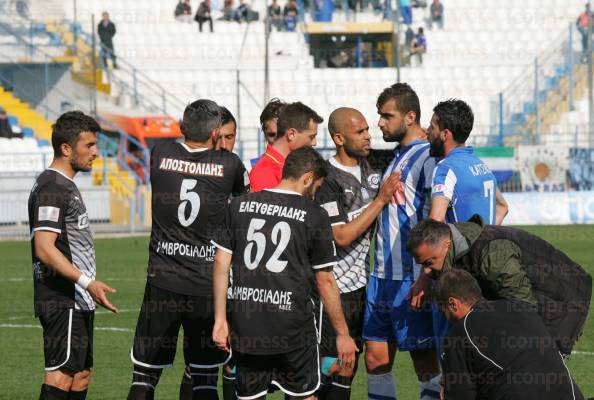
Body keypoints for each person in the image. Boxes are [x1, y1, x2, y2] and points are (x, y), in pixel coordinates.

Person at [212, 146, 358, 400]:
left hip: (248, 329)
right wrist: (343, 335)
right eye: (316, 187)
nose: (315, 195)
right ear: (308, 178)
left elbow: (220, 264)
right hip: (294, 332)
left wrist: (220, 320)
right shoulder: (314, 215)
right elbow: (325, 281)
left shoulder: (239, 206)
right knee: (304, 396)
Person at [126, 100, 250, 400]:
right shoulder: (230, 165)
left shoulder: (160, 153)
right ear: (216, 132)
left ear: (182, 127)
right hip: (205, 284)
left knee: (144, 378)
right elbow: (242, 203)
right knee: (205, 379)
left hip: (162, 281)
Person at [407, 215, 593, 356]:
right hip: (531, 299)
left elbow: (525, 310)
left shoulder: (492, 257)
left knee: (535, 376)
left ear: (446, 244)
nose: (428, 271)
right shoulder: (458, 246)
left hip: (561, 302)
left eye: (429, 263)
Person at [28, 111, 118, 400]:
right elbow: (44, 247)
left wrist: (87, 286)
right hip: (62, 297)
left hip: (78, 298)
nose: (95, 152)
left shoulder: (65, 185)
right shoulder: (52, 187)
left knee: (80, 375)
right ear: (66, 148)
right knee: (61, 376)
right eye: (89, 145)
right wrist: (86, 281)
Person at [314, 108, 401, 400]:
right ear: (339, 138)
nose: (368, 136)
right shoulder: (326, 180)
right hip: (334, 289)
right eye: (360, 132)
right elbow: (340, 237)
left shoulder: (375, 161)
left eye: (367, 129)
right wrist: (380, 201)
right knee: (329, 368)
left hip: (364, 286)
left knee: (349, 369)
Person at [363, 83, 441, 400]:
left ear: (410, 117)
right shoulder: (399, 156)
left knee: (425, 364)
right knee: (376, 361)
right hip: (380, 276)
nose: (380, 122)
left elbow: (435, 221)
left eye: (386, 115)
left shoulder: (427, 157)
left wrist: (425, 275)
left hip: (410, 279)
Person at [435, 269, 585, 399]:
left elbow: (461, 395)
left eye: (443, 310)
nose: (445, 317)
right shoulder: (520, 308)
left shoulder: (459, 334)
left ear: (453, 303)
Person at [249, 101, 322, 192]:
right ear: (291, 134)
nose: (314, 143)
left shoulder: (293, 165)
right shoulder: (265, 172)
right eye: (311, 137)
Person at [248, 98, 286, 171]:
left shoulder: (303, 169)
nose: (277, 141)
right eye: (272, 135)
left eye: (281, 134)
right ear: (265, 134)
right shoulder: (249, 168)